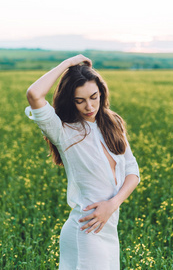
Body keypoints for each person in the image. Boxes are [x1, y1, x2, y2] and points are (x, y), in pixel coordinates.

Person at [25, 54, 140, 270]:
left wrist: (111, 205)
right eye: (80, 100)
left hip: (108, 227)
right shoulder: (63, 131)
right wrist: (67, 65)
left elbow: (133, 172)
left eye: (94, 97)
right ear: (71, 100)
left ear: (101, 93)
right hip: (86, 229)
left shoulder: (113, 123)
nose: (89, 106)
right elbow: (34, 94)